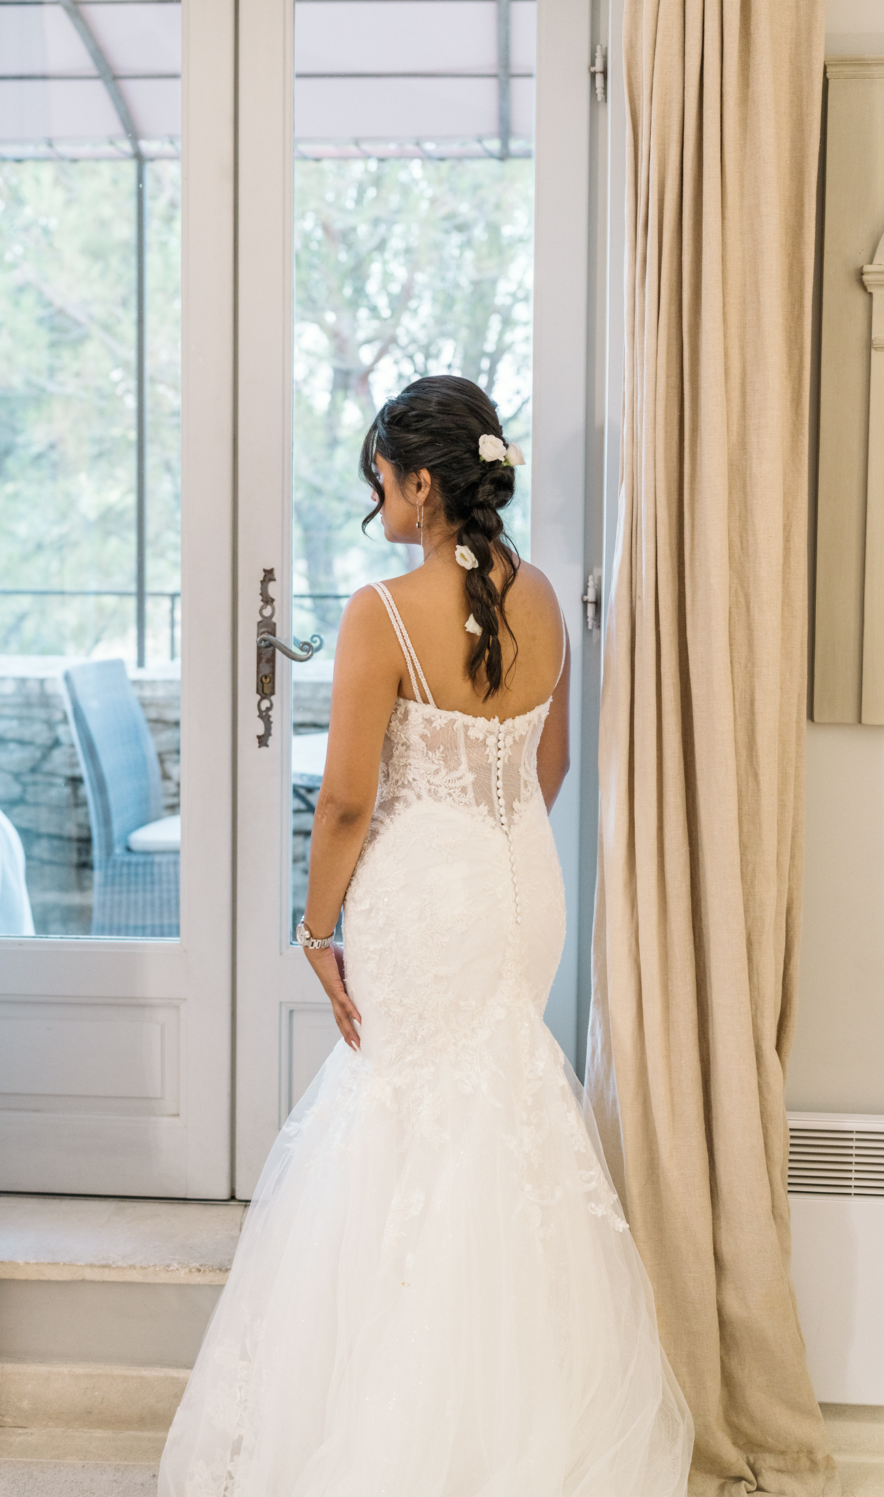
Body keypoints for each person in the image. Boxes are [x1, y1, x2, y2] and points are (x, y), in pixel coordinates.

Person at [159, 375, 692, 1497]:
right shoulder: (542, 596)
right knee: (502, 1101)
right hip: (519, 887)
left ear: (422, 483)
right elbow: (544, 765)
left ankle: (400, 1431)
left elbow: (349, 802)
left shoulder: (383, 611)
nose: (375, 502)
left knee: (400, 1117)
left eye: (382, 481)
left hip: (425, 894)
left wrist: (314, 927)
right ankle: (519, 1418)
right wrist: (486, 847)